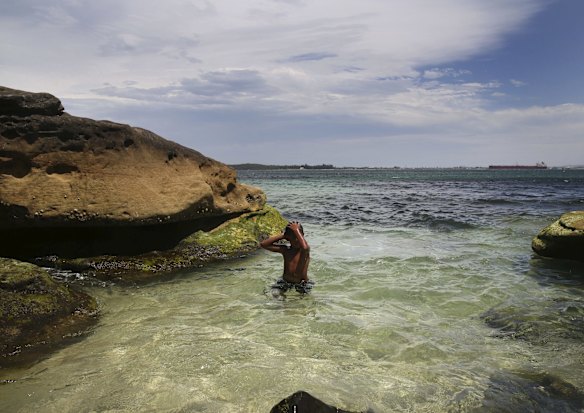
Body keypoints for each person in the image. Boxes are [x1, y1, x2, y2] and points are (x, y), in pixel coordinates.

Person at [260, 221, 313, 294]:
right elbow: (263, 244)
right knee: (274, 294)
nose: (296, 240)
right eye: (293, 237)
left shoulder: (304, 252)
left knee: (303, 302)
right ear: (288, 239)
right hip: (285, 281)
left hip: (302, 283)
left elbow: (305, 247)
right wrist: (284, 235)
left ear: (302, 236)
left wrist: (296, 230)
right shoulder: (286, 250)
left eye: (298, 237)